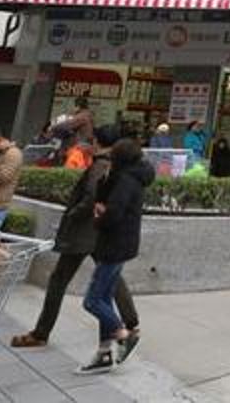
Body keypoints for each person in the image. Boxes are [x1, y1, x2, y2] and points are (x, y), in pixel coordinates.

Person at [12, 127, 138, 351]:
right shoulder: (115, 165)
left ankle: (41, 332)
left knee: (59, 280)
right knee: (112, 279)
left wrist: (72, 214)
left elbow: (91, 198)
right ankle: (130, 322)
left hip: (84, 231)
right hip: (100, 230)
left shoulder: (100, 165)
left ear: (97, 142)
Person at [77, 137, 153, 374]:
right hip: (120, 245)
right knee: (105, 298)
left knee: (92, 301)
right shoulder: (126, 177)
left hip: (114, 245)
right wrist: (106, 178)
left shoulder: (126, 181)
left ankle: (123, 335)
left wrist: (99, 218)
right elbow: (104, 196)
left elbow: (114, 213)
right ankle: (104, 353)